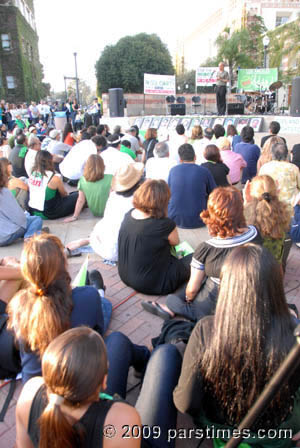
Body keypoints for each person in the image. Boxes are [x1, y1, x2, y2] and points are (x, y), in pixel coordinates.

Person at [174, 244, 300, 446]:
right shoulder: (294, 334)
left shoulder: (206, 330)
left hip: (224, 433)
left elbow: (185, 402)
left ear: (227, 286)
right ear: (275, 286)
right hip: (277, 436)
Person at [16, 327, 143, 448]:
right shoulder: (123, 420)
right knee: (161, 355)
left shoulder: (30, 393)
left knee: (118, 340)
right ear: (104, 381)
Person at [149, 186, 262, 322]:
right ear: (240, 211)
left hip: (214, 306)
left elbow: (192, 290)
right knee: (200, 281)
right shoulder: (255, 233)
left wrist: (190, 299)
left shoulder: (207, 249)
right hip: (245, 295)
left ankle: (173, 309)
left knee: (173, 298)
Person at [7, 234, 108, 384]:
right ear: (63, 264)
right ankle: (101, 293)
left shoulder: (19, 308)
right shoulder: (87, 296)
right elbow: (99, 330)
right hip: (79, 380)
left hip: (37, 392)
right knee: (104, 308)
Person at [118, 179, 191, 295]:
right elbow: (176, 244)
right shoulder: (165, 224)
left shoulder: (129, 214)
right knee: (189, 254)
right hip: (154, 284)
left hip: (124, 275)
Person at [89, 162, 144, 263]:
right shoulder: (138, 200)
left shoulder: (113, 196)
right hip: (126, 252)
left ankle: (87, 241)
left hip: (108, 249)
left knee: (102, 225)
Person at [244, 175, 292, 264]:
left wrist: (246, 202)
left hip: (253, 267)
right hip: (275, 265)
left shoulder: (245, 215)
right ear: (276, 191)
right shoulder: (284, 212)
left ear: (251, 193)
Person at [168, 144, 216, 229]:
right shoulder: (204, 171)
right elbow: (214, 193)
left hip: (175, 218)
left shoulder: (173, 170)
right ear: (195, 157)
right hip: (200, 218)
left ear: (180, 159)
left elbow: (169, 192)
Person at [0, 162, 42, 247]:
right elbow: (19, 218)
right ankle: (29, 237)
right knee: (36, 219)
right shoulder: (4, 192)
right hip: (5, 237)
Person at [28, 151, 78, 220]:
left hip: (33, 210)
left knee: (73, 195)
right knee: (78, 195)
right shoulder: (54, 178)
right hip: (48, 212)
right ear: (50, 161)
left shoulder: (33, 173)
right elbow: (64, 194)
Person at [64, 154, 113, 222]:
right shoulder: (111, 178)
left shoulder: (82, 180)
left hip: (95, 212)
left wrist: (74, 216)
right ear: (102, 165)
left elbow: (80, 200)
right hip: (109, 213)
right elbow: (113, 198)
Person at [259, 142, 300, 208]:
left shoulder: (264, 168)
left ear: (272, 154)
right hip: (291, 208)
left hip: (270, 207)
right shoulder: (293, 168)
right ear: (287, 154)